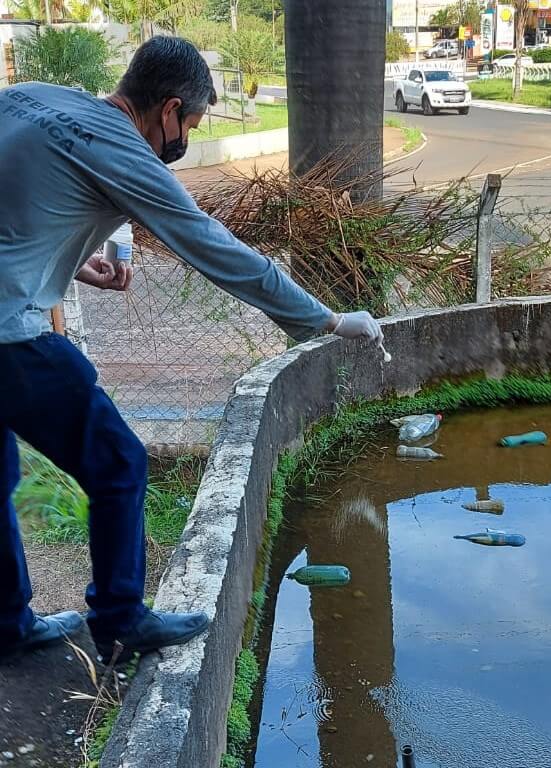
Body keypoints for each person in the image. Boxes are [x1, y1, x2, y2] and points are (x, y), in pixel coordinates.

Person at [0, 37, 383, 662]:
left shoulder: (31, 97)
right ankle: (121, 617)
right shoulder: (124, 148)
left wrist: (69, 261)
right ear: (170, 110)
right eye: (192, 125)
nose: (183, 141)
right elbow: (215, 249)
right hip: (7, 338)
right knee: (118, 461)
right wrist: (329, 320)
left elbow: (23, 196)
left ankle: (7, 622)